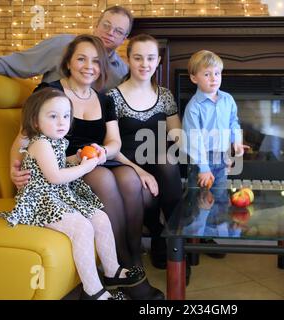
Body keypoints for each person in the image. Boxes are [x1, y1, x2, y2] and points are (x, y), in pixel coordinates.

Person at [9, 34, 164, 300]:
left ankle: (131, 256)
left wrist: (105, 153)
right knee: (104, 179)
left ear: (102, 67)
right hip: (64, 170)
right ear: (68, 62)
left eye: (95, 61)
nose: (88, 66)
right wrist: (14, 168)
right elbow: (24, 138)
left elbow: (114, 142)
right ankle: (124, 262)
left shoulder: (105, 99)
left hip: (93, 158)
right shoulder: (49, 92)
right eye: (81, 58)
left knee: (128, 178)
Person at [0, 88, 145, 300]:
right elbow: (55, 176)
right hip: (41, 200)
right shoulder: (39, 143)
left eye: (66, 116)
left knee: (101, 218)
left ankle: (112, 271)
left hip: (59, 196)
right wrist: (86, 167)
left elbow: (59, 163)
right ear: (35, 122)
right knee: (83, 227)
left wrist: (75, 159)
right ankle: (93, 290)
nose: (61, 122)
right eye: (53, 116)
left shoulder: (55, 140)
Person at [106, 34, 183, 270]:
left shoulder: (165, 96)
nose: (144, 64)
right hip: (125, 164)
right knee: (148, 190)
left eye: (150, 58)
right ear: (127, 59)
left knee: (167, 162)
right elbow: (111, 145)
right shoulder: (112, 97)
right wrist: (138, 171)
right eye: (138, 58)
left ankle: (173, 247)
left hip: (158, 162)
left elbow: (177, 136)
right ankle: (159, 235)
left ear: (158, 60)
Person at [0, 5, 132, 92]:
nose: (110, 33)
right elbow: (17, 63)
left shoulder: (122, 72)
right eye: (106, 25)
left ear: (124, 39)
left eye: (118, 31)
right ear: (96, 25)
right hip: (48, 127)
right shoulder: (63, 45)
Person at [182, 49, 249, 190]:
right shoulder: (194, 107)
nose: (214, 78)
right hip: (202, 160)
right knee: (201, 201)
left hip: (223, 156)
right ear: (194, 78)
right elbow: (193, 139)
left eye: (217, 73)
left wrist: (236, 141)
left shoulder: (227, 99)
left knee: (220, 198)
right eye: (207, 74)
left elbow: (233, 122)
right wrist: (204, 167)